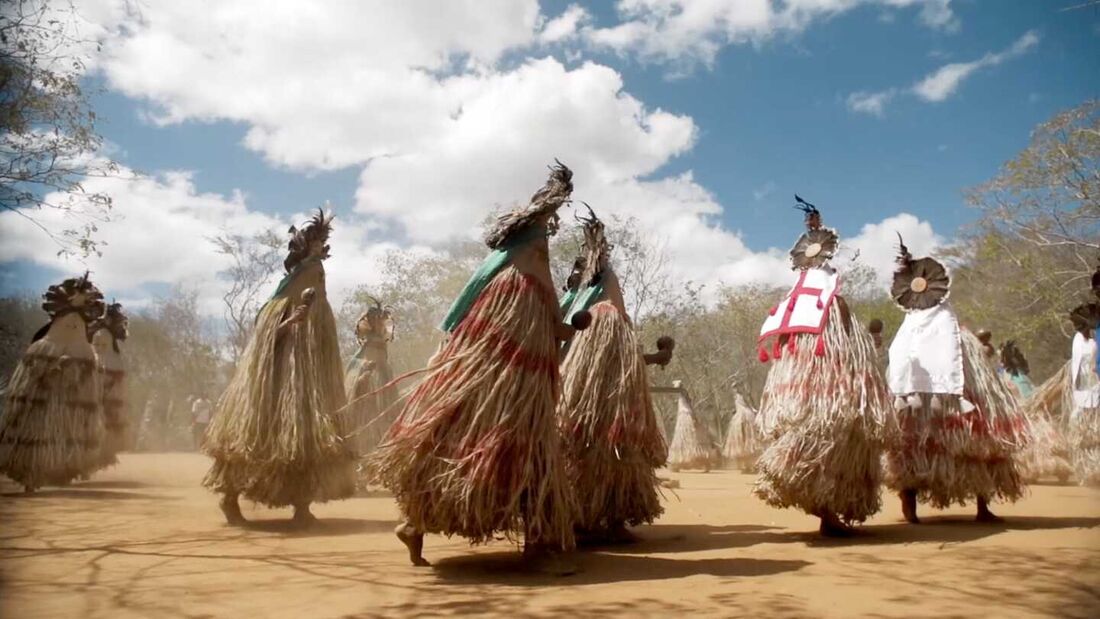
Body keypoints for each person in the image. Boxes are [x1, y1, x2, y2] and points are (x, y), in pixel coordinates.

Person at [370, 162, 586, 572]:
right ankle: (530, 545)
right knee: (515, 445)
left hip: (523, 381)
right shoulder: (512, 268)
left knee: (513, 446)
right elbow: (469, 321)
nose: (548, 238)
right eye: (545, 227)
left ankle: (416, 526)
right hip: (506, 382)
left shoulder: (517, 268)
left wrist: (568, 326)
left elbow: (548, 321)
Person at [203, 209, 357, 526]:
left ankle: (301, 506)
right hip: (283, 374)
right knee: (270, 433)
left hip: (307, 370)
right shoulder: (296, 283)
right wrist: (294, 320)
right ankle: (232, 499)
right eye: (317, 240)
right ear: (305, 246)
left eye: (324, 240)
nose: (322, 246)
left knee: (304, 436)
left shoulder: (309, 274)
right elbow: (271, 329)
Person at [753, 197, 889, 537]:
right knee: (825, 435)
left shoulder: (809, 297)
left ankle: (826, 509)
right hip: (817, 385)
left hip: (821, 383)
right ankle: (822, 508)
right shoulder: (814, 298)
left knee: (832, 436)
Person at [886, 239, 1029, 523]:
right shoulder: (911, 326)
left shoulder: (948, 323)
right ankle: (911, 507)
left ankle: (981, 506)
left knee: (973, 446)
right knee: (914, 449)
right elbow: (899, 361)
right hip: (921, 402)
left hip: (955, 398)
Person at [557, 206, 672, 544]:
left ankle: (601, 517)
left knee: (610, 449)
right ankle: (590, 517)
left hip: (602, 404)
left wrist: (652, 357)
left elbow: (626, 354)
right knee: (596, 448)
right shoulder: (584, 304)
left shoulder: (591, 305)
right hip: (583, 400)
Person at [0, 275, 107, 492]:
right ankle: (30, 476)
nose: (91, 298)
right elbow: (35, 370)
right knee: (37, 432)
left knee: (61, 431)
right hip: (43, 401)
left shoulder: (78, 335)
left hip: (64, 402)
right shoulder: (50, 339)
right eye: (85, 294)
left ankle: (47, 472)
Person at [343, 300, 397, 457]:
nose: (379, 322)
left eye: (381, 320)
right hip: (367, 371)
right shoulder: (367, 346)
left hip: (379, 373)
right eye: (376, 319)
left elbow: (382, 356)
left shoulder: (381, 341)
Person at [90, 303, 129, 468]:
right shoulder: (101, 338)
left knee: (106, 421)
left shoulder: (112, 352)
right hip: (98, 386)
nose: (99, 348)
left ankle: (102, 453)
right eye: (97, 345)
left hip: (108, 388)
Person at [1068, 299, 1100, 486]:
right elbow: (1076, 365)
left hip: (1094, 384)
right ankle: (1089, 468)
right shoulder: (1079, 340)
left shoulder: (1095, 338)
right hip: (1083, 387)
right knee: (1082, 425)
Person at [667, 380, 719, 473]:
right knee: (684, 440)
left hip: (685, 416)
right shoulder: (682, 395)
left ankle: (702, 463)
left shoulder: (683, 394)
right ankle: (678, 463)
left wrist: (693, 417)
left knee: (689, 439)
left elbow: (689, 406)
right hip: (684, 416)